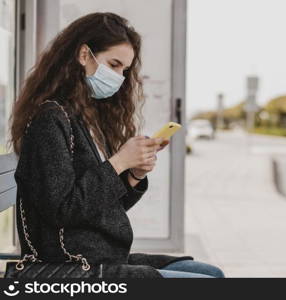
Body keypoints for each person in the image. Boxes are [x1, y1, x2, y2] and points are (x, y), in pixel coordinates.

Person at [8, 12, 224, 279]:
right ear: (84, 55)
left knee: (209, 272)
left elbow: (104, 210)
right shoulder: (50, 119)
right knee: (206, 281)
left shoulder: (87, 118)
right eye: (113, 64)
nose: (120, 77)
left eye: (124, 70)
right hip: (72, 265)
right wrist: (119, 162)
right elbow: (62, 211)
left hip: (102, 256)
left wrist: (134, 175)